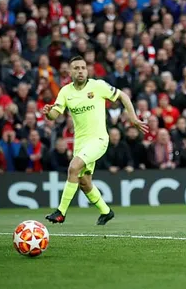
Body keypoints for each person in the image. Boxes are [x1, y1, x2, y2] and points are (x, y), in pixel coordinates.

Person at [42, 56, 148, 225]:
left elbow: (123, 96)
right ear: (70, 72)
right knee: (84, 182)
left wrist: (133, 118)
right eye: (76, 68)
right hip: (80, 143)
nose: (80, 71)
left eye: (83, 68)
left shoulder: (98, 86)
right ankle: (106, 212)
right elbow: (55, 114)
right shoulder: (65, 91)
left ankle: (61, 212)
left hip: (98, 140)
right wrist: (48, 112)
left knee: (73, 167)